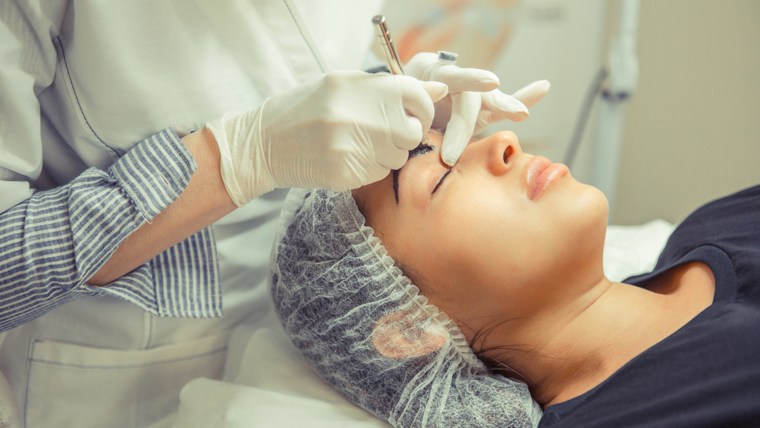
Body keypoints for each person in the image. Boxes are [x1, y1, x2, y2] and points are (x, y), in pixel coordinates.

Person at [0, 1, 550, 426]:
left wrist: (387, 90)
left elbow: (292, 64)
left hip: (296, 355)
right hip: (110, 373)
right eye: (441, 174)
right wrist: (236, 157)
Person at [271, 130, 760, 427]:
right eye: (439, 177)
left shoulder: (718, 224)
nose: (504, 142)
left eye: (458, 140)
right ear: (411, 330)